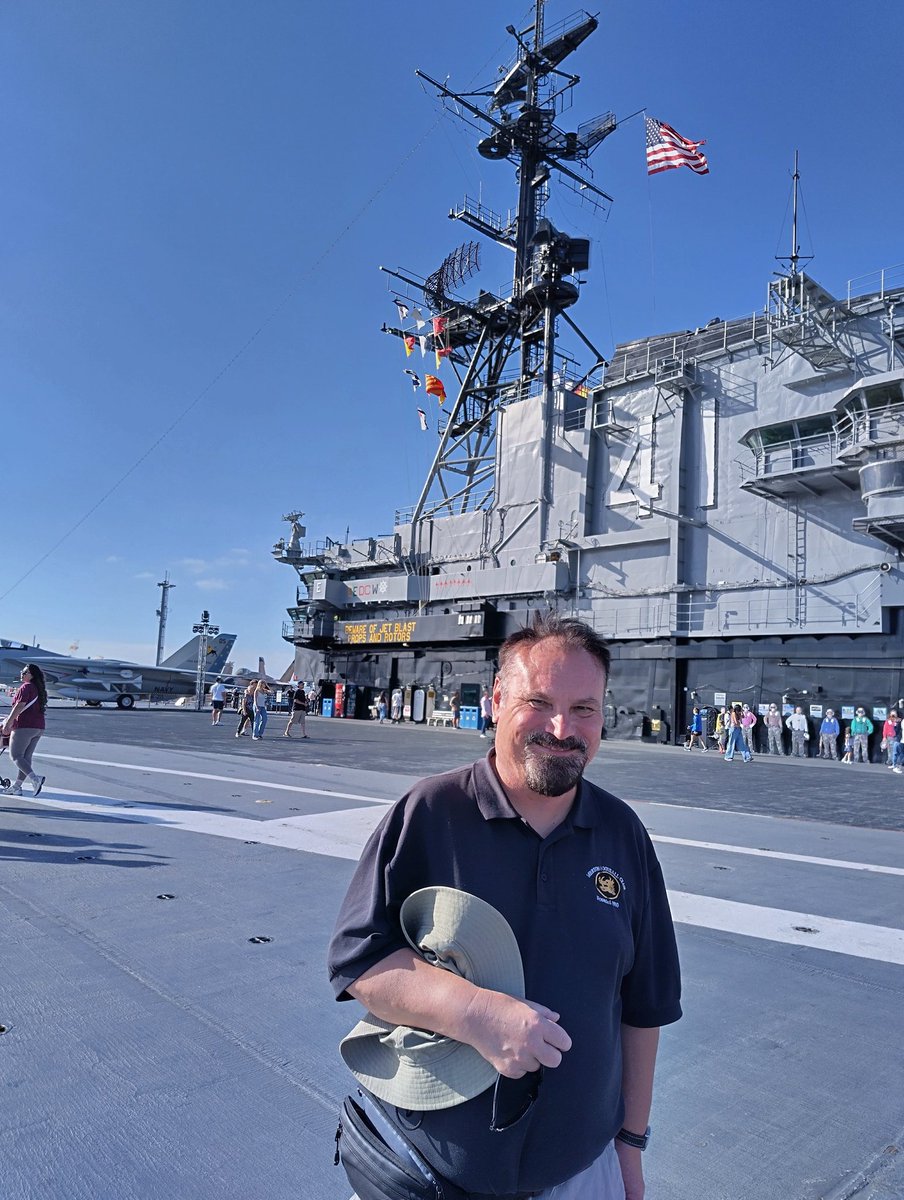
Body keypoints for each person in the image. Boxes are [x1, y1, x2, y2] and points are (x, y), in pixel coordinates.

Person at [329, 614, 681, 1200]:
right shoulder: (431, 813)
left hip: (581, 1169)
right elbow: (358, 961)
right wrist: (478, 1014)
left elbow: (644, 1008)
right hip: (431, 1166)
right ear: (496, 702)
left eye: (585, 708)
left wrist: (631, 1148)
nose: (562, 727)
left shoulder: (624, 835)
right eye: (537, 702)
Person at [1, 663, 48, 797]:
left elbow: (19, 706)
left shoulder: (25, 687)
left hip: (24, 725)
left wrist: (8, 723)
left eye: (25, 672)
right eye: (22, 671)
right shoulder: (39, 689)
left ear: (32, 675)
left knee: (15, 755)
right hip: (38, 727)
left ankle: (35, 779)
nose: (22, 674)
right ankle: (17, 787)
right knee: (26, 758)